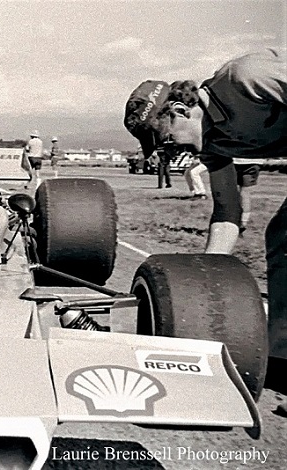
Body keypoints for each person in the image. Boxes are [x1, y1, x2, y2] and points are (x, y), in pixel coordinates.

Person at [123, 49, 287, 391]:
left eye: (166, 140)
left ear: (180, 111)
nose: (170, 152)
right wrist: (207, 279)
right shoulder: (212, 146)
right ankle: (283, 361)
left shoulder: (247, 77)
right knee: (281, 236)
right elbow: (227, 213)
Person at [233, 160, 261, 232]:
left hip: (234, 160)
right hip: (251, 161)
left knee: (232, 192)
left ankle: (232, 220)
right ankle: (243, 222)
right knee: (245, 193)